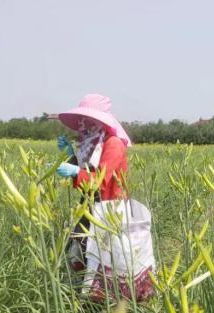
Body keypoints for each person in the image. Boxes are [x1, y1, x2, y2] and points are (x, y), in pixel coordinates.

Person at [55, 93, 154, 301]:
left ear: (100, 121)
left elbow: (98, 180)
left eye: (88, 120)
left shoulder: (113, 144)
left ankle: (112, 310)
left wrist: (74, 172)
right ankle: (85, 307)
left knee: (110, 261)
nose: (82, 125)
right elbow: (87, 170)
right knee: (80, 254)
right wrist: (71, 154)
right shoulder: (92, 143)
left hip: (110, 212)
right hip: (89, 208)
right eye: (82, 121)